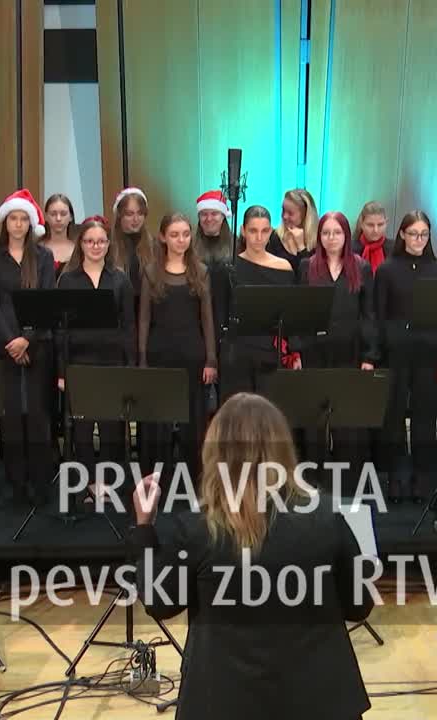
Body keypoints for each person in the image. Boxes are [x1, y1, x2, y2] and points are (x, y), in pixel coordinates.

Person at [129, 392, 373, 720]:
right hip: (322, 704)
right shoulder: (327, 517)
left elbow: (160, 602)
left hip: (223, 704)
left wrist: (144, 527)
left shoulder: (196, 529)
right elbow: (359, 606)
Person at [0, 189, 57, 505]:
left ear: (31, 223)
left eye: (23, 219)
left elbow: (47, 301)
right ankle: (16, 483)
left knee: (37, 415)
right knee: (11, 416)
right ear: (5, 222)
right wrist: (11, 340)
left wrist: (27, 338)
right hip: (6, 345)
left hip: (37, 343)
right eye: (13, 218)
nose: (18, 224)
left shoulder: (43, 257)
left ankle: (40, 482)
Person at [374, 211, 437, 503]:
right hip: (395, 352)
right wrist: (377, 354)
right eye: (413, 234)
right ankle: (396, 478)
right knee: (393, 416)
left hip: (428, 352)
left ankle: (423, 480)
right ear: (402, 235)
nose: (419, 239)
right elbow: (379, 315)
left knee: (425, 417)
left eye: (424, 234)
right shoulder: (387, 270)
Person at [298, 211, 379, 489]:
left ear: (346, 235)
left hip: (350, 352)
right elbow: (300, 313)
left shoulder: (361, 267)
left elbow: (369, 315)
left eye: (337, 232)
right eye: (326, 233)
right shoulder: (307, 266)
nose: (331, 238)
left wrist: (370, 356)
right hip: (315, 352)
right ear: (319, 236)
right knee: (314, 420)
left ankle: (348, 484)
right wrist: (297, 352)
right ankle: (314, 482)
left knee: (348, 421)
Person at [138, 213, 218, 474]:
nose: (181, 240)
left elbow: (207, 319)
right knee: (157, 420)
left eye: (185, 234)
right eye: (174, 235)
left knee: (193, 420)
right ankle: (155, 480)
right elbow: (144, 320)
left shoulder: (201, 271)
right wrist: (142, 360)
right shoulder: (151, 272)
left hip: (192, 354)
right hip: (159, 353)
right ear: (163, 237)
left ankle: (193, 478)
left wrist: (211, 359)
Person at [58, 216, 136, 476]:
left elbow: (129, 328)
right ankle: (87, 484)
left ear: (108, 244)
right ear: (81, 244)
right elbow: (61, 331)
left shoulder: (120, 280)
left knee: (111, 429)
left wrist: (130, 367)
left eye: (101, 241)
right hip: (79, 364)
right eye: (90, 241)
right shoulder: (68, 280)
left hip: (112, 364)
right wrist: (61, 372)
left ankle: (107, 482)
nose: (95, 246)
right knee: (81, 431)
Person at [222, 205, 299, 401]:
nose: (259, 237)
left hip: (270, 353)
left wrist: (293, 351)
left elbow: (291, 314)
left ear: (271, 231)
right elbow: (221, 313)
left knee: (268, 411)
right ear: (243, 231)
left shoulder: (284, 268)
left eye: (264, 231)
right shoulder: (229, 268)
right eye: (253, 231)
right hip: (237, 352)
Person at [194, 189, 234, 363]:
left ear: (223, 216)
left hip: (227, 322)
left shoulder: (237, 246)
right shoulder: (190, 249)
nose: (209, 219)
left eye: (214, 214)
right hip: (197, 324)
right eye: (204, 214)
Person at [109, 187, 151, 303]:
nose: (136, 219)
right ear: (119, 215)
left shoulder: (153, 245)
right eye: (129, 214)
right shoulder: (108, 245)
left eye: (140, 213)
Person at [270, 189, 318, 275]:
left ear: (305, 215)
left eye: (290, 213)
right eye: (283, 210)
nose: (284, 216)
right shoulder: (275, 236)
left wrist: (301, 247)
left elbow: (311, 275)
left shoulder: (319, 241)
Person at [41, 193, 78, 276]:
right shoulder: (36, 249)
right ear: (46, 217)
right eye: (53, 214)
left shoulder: (79, 249)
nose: (58, 218)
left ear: (71, 217)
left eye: (63, 214)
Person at [351, 201, 390, 273]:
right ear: (361, 224)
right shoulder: (350, 249)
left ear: (386, 223)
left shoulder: (394, 250)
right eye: (370, 225)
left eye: (380, 224)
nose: (376, 230)